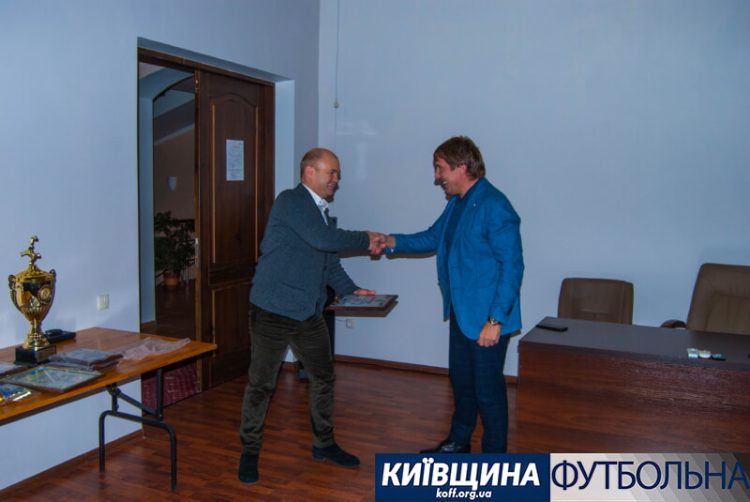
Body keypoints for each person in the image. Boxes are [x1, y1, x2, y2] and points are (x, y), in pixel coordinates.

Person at [238, 147, 386, 484]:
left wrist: (352, 289)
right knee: (261, 385)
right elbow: (322, 239)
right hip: (272, 310)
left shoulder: (322, 215)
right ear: (309, 172)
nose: (336, 179)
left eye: (338, 174)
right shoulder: (291, 201)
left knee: (324, 378)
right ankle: (249, 452)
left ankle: (324, 444)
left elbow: (328, 260)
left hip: (307, 314)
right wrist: (366, 238)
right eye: (331, 172)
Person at [384, 136, 523, 454]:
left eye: (440, 168)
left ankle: (494, 460)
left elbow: (512, 267)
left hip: (487, 320)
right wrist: (390, 240)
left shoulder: (495, 206)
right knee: (462, 383)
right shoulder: (457, 203)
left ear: (461, 167)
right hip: (462, 313)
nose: (437, 177)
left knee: (488, 393)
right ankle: (458, 442)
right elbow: (432, 237)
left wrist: (495, 320)